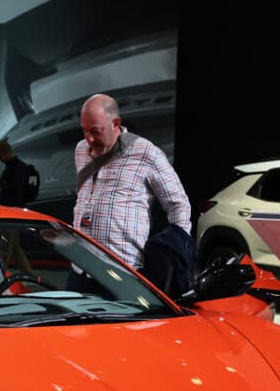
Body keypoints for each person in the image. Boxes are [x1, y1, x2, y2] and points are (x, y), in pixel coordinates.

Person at [69, 93, 191, 293]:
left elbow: (178, 203)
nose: (89, 139)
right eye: (84, 131)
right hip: (80, 268)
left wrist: (176, 249)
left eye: (95, 131)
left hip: (122, 272)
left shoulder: (145, 152)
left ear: (115, 123)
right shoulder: (81, 149)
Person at [0, 138, 34, 272]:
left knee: (5, 248)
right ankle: (30, 276)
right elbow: (8, 187)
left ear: (4, 153)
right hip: (12, 212)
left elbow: (15, 189)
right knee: (15, 247)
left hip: (12, 214)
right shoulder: (12, 167)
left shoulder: (18, 168)